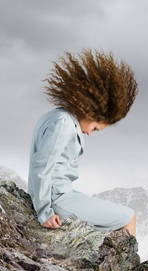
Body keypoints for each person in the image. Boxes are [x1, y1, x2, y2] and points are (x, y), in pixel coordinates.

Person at [27, 48, 138, 237]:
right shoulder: (63, 123)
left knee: (111, 224)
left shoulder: (55, 116)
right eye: (95, 128)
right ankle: (131, 266)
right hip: (58, 200)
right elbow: (42, 168)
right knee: (128, 217)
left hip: (62, 196)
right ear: (90, 111)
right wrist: (45, 212)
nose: (90, 133)